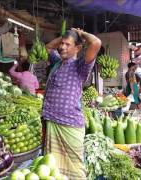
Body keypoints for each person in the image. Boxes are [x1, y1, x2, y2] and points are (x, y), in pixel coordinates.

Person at [43, 28, 101, 179]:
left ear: (78, 48)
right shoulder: (57, 62)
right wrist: (63, 36)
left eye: (68, 44)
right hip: (52, 121)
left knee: (75, 169)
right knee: (54, 168)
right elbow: (48, 47)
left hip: (70, 124)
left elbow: (96, 43)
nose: (62, 47)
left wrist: (81, 34)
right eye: (62, 44)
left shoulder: (80, 66)